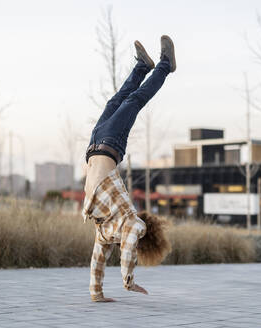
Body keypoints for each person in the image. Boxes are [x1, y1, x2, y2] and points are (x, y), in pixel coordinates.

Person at [83, 35, 175, 302]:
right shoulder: (131, 223)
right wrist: (127, 281)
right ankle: (164, 65)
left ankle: (143, 67)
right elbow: (124, 250)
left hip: (95, 144)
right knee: (133, 101)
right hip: (110, 144)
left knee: (117, 101)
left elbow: (97, 262)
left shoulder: (107, 231)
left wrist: (100, 294)